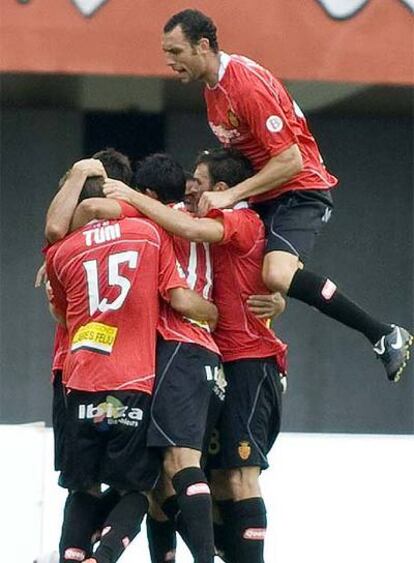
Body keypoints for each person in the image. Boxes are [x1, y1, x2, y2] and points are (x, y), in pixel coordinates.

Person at [161, 9, 413, 383]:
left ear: (202, 46)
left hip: (299, 190)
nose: (169, 61)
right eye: (166, 52)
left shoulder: (244, 84)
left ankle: (382, 334)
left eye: (176, 51)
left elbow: (291, 160)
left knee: (276, 273)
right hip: (266, 195)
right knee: (260, 276)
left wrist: (230, 198)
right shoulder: (214, 91)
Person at [103, 147, 288, 563]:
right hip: (208, 357)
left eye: (199, 185)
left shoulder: (191, 222)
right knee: (174, 482)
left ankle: (210, 556)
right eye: (189, 186)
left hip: (213, 356)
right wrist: (275, 297)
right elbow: (259, 274)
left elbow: (186, 296)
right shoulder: (202, 222)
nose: (193, 192)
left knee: (204, 469)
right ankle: (217, 551)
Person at [45, 167, 218, 563]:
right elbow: (177, 296)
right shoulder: (148, 234)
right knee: (136, 488)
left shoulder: (62, 251)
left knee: (82, 487)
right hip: (131, 382)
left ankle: (72, 556)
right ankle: (103, 557)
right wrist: (215, 313)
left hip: (79, 379)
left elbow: (61, 316)